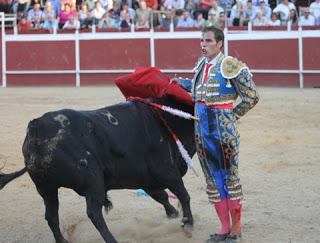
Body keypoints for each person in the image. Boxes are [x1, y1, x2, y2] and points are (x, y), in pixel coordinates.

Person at [173, 26, 259, 243]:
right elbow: (198, 92)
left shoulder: (231, 65)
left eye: (208, 41)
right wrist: (180, 84)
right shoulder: (201, 65)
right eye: (202, 40)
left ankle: (236, 231)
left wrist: (231, 116)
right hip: (202, 130)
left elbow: (252, 97)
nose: (204, 44)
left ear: (220, 43)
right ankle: (223, 228)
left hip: (223, 131)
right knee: (212, 180)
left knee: (230, 178)